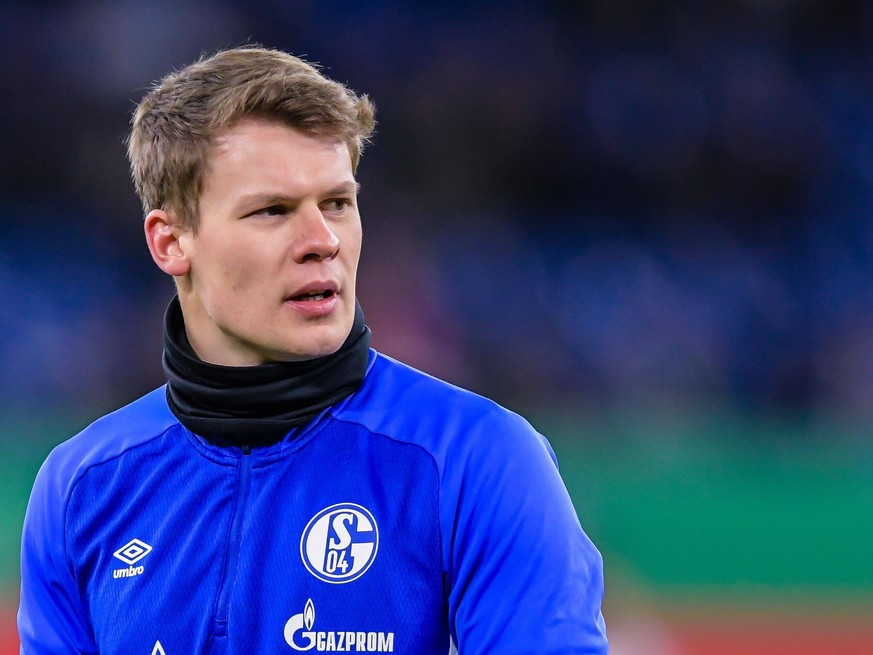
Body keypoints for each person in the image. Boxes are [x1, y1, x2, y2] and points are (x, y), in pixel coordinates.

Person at [18, 46, 608, 654]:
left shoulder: (478, 457)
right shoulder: (81, 486)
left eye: (336, 203)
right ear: (170, 242)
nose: (322, 241)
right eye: (272, 211)